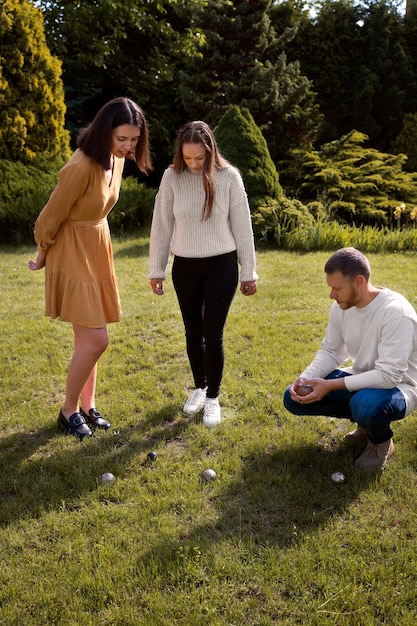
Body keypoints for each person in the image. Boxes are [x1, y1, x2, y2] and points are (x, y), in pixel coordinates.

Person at [29, 97, 152, 439]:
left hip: (97, 245)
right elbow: (49, 217)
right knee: (97, 339)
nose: (129, 146)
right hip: (71, 248)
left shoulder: (117, 160)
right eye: (122, 139)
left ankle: (87, 405)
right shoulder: (81, 165)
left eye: (134, 139)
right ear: (104, 132)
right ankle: (68, 410)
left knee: (86, 339)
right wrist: (43, 252)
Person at [149, 120, 258, 427]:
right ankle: (200, 387)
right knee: (192, 330)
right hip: (184, 267)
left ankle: (213, 397)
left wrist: (248, 272)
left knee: (213, 332)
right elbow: (161, 224)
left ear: (210, 151)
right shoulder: (171, 177)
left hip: (221, 266)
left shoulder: (229, 177)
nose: (194, 164)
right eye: (188, 159)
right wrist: (157, 268)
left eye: (199, 159)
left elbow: (242, 226)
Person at [283, 247, 417, 472]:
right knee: (293, 397)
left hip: (400, 387)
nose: (332, 295)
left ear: (359, 281)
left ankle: (381, 441)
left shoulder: (395, 312)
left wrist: (330, 385)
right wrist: (306, 377)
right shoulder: (341, 307)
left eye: (336, 288)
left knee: (364, 404)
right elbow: (332, 352)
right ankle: (366, 425)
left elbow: (388, 375)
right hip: (362, 378)